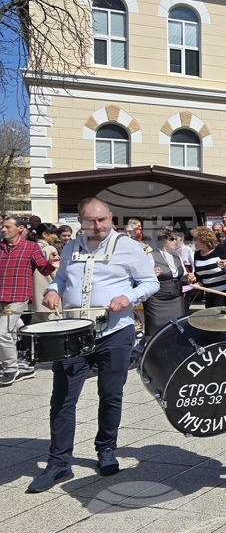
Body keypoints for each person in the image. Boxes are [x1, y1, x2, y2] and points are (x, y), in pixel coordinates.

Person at [29, 198, 158, 491]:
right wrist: (53, 291)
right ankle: (59, 462)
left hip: (115, 332)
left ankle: (106, 449)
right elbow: (62, 279)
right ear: (80, 221)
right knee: (62, 397)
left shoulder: (129, 247)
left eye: (102, 220)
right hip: (73, 333)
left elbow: (150, 282)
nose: (97, 226)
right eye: (91, 221)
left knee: (110, 394)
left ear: (111, 217)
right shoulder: (70, 247)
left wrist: (128, 298)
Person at [0, 215, 58, 386]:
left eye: (8, 226)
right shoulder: (0, 247)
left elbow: (44, 270)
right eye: (3, 226)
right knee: (8, 332)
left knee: (2, 332)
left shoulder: (31, 247)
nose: (3, 229)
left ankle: (11, 369)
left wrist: (51, 263)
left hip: (17, 297)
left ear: (20, 229)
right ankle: (22, 366)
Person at [143, 229, 188, 338]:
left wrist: (190, 278)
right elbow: (142, 277)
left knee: (177, 329)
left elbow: (184, 275)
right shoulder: (151, 256)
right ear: (162, 240)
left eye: (176, 239)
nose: (176, 241)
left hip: (176, 299)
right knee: (154, 331)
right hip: (156, 301)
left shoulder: (176, 256)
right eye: (172, 239)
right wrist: (152, 274)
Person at [187, 227, 226, 307]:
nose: (193, 242)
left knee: (218, 314)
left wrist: (225, 266)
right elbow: (200, 274)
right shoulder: (197, 254)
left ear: (203, 240)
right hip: (209, 292)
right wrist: (194, 278)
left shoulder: (220, 250)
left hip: (224, 292)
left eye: (195, 239)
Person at [31, 223, 61, 324]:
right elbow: (56, 272)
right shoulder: (49, 249)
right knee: (55, 323)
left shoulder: (32, 247)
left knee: (39, 325)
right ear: (45, 234)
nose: (55, 237)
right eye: (53, 234)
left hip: (35, 293)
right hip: (48, 290)